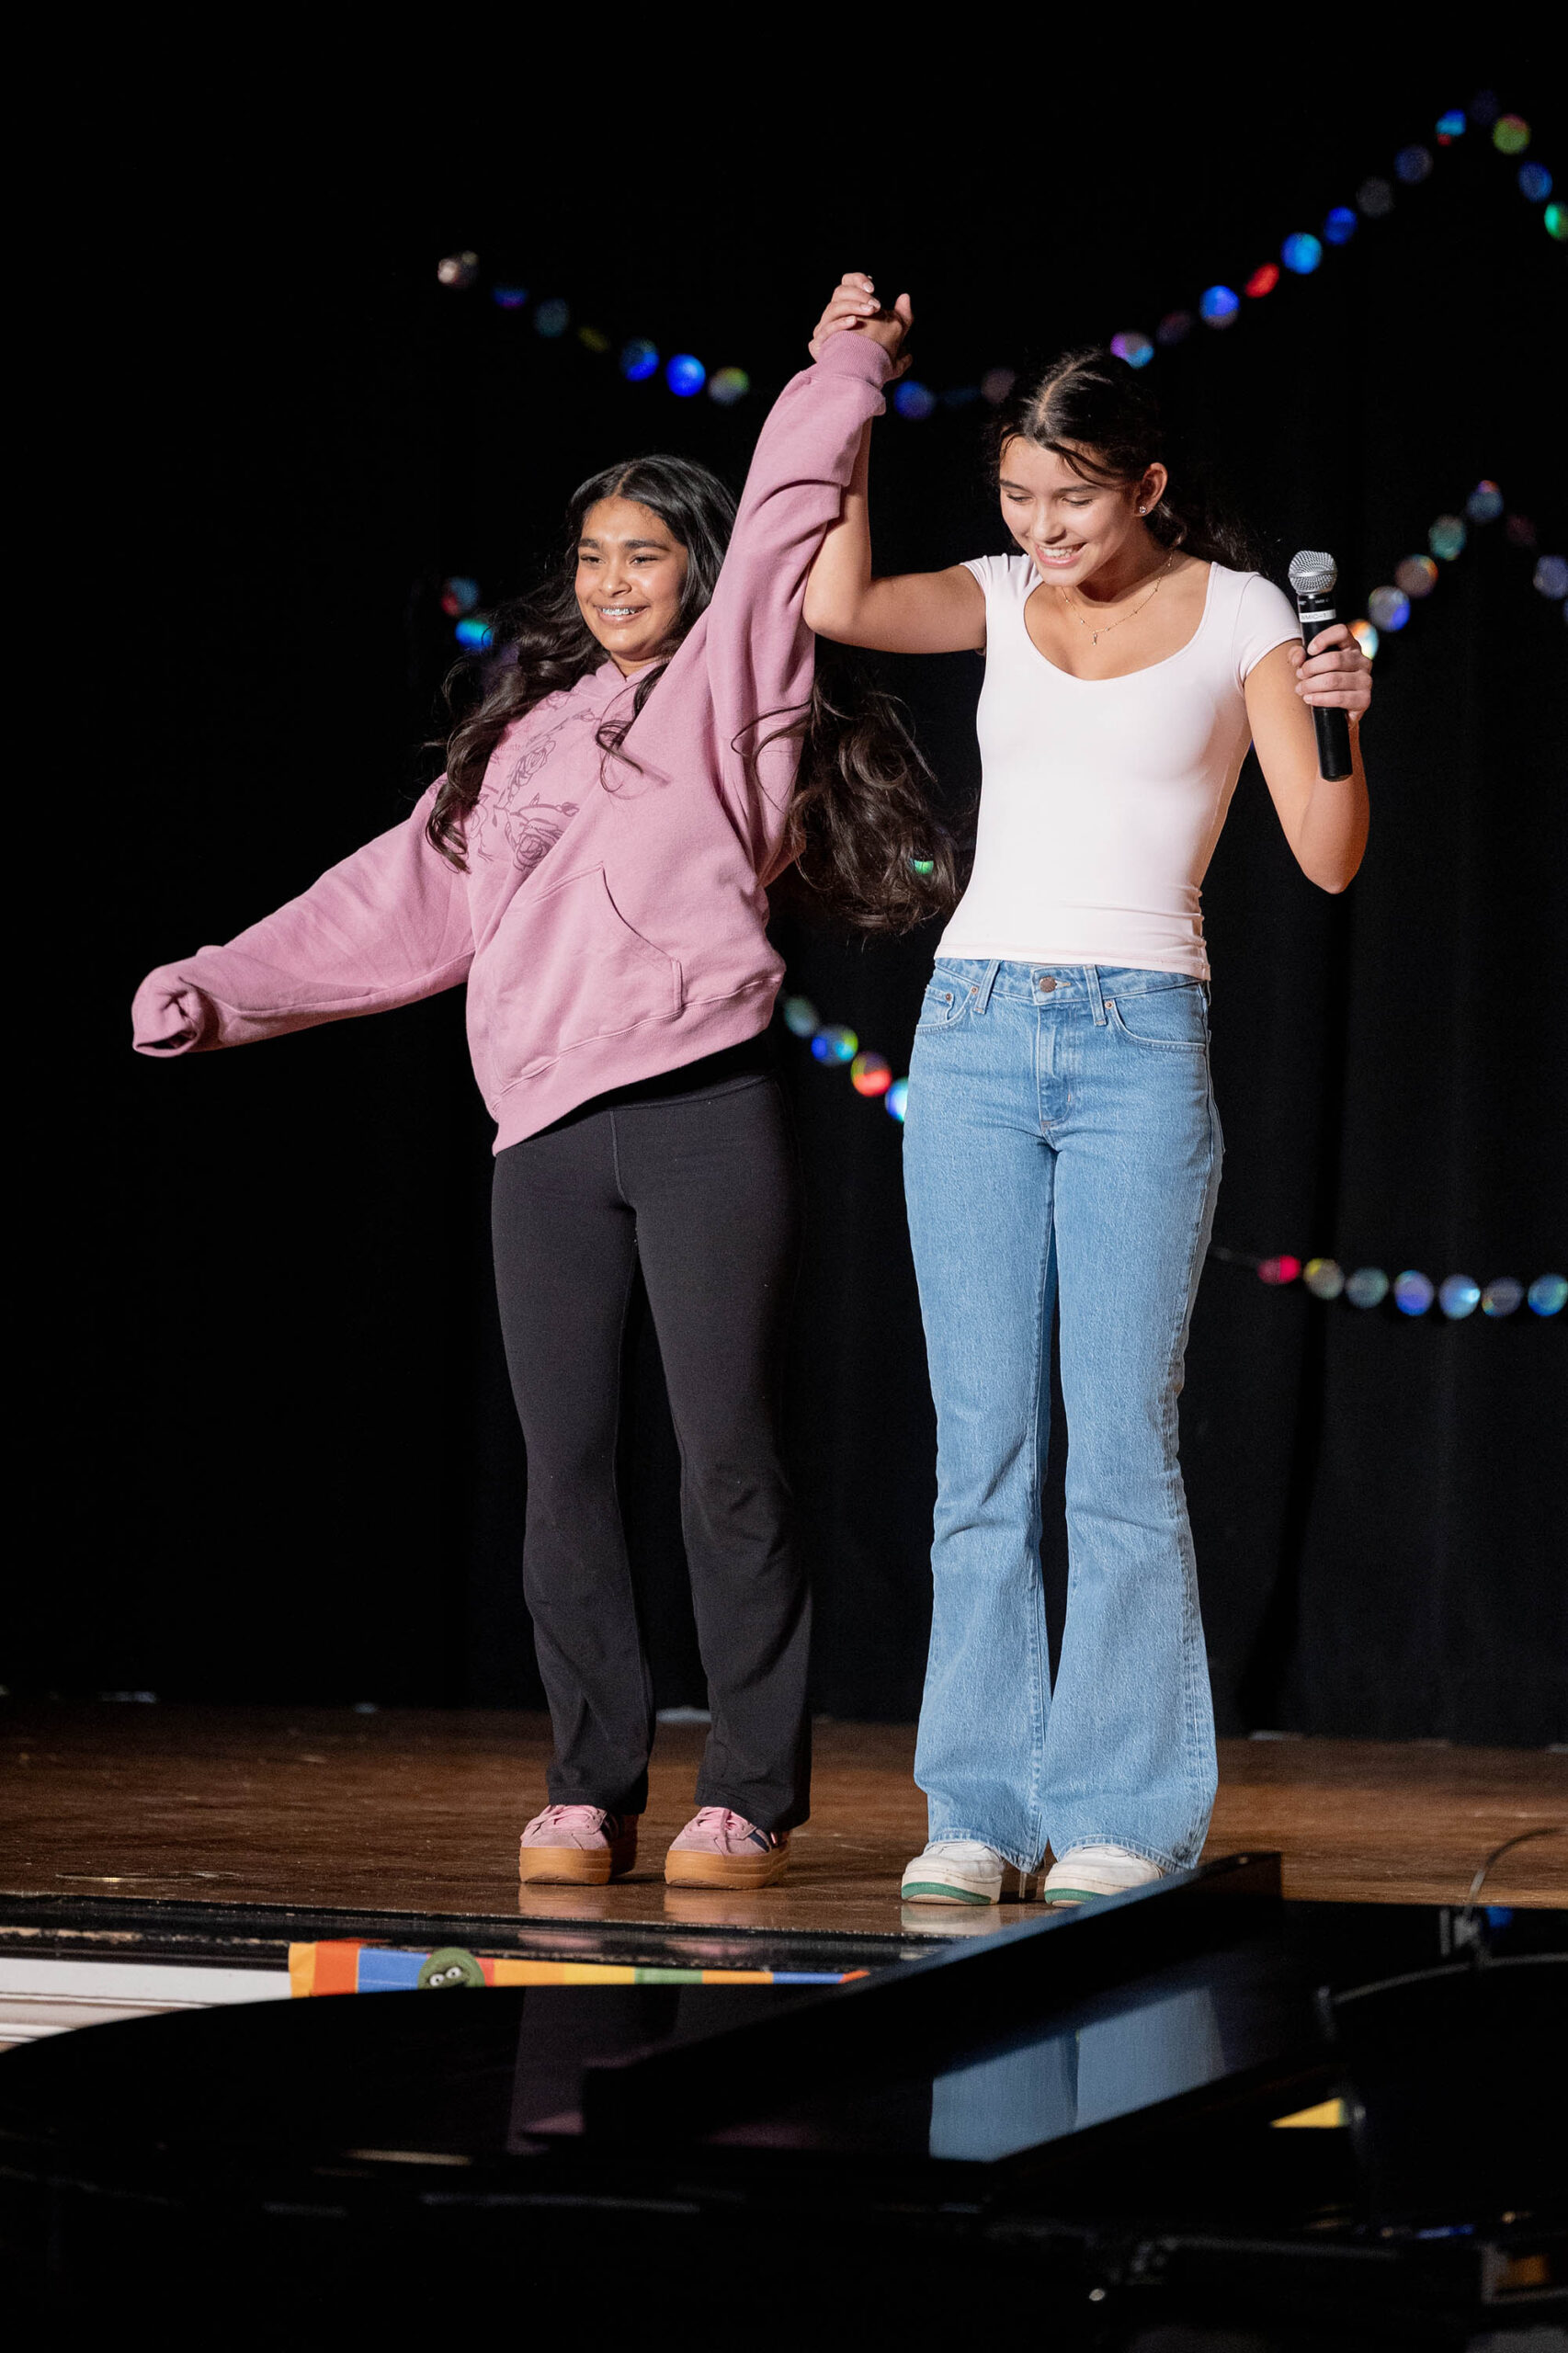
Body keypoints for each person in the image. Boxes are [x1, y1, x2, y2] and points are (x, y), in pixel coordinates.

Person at [132, 326, 953, 1893]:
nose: (612, 581)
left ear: (696, 571)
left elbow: (788, 510)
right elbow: (393, 899)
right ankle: (588, 1785)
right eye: (591, 558)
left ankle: (749, 1794)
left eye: (644, 555)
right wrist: (220, 986)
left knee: (726, 1460)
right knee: (563, 1468)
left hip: (702, 1113)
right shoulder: (521, 738)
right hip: (544, 1138)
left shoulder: (733, 683)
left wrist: (842, 371)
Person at [804, 272, 1372, 1907]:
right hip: (975, 1028)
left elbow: (1328, 860)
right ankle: (977, 1810)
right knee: (981, 1450)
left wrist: (1346, 721)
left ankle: (1121, 1810)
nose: (1041, 528)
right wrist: (849, 385)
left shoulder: (1247, 614)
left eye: (1070, 498)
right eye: (1015, 497)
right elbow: (837, 597)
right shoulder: (996, 593)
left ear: (1147, 483)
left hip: (1138, 1038)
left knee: (1119, 1445)